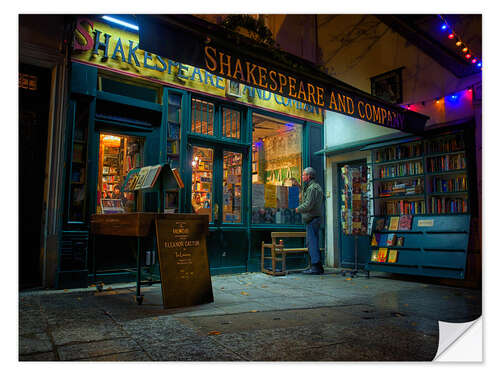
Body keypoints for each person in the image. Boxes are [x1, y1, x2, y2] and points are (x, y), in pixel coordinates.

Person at [295, 167, 324, 275]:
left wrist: (298, 209)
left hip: (312, 219)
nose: (302, 177)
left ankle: (315, 267)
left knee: (312, 243)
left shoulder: (312, 188)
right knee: (313, 242)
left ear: (309, 176)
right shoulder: (315, 187)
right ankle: (317, 266)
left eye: (303, 175)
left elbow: (308, 204)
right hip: (315, 218)